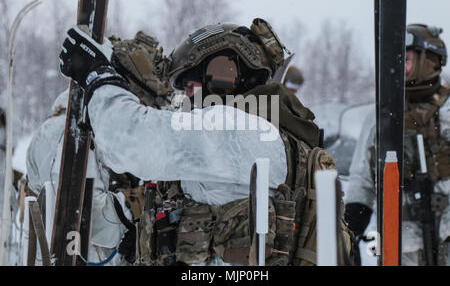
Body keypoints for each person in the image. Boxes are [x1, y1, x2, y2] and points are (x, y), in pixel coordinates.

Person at [58, 19, 353, 266]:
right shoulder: (265, 132)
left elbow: (130, 141)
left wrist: (98, 77)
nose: (185, 97)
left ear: (224, 74)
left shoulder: (235, 129)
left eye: (189, 86)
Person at [25, 30, 172, 265]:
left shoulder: (96, 130)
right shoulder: (69, 133)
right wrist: (142, 211)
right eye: (139, 100)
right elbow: (81, 215)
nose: (140, 109)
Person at [344, 23, 450, 266]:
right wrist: (351, 227)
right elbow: (362, 177)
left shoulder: (447, 110)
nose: (400, 66)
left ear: (430, 60)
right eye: (397, 59)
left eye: (408, 60)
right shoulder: (381, 113)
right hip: (399, 243)